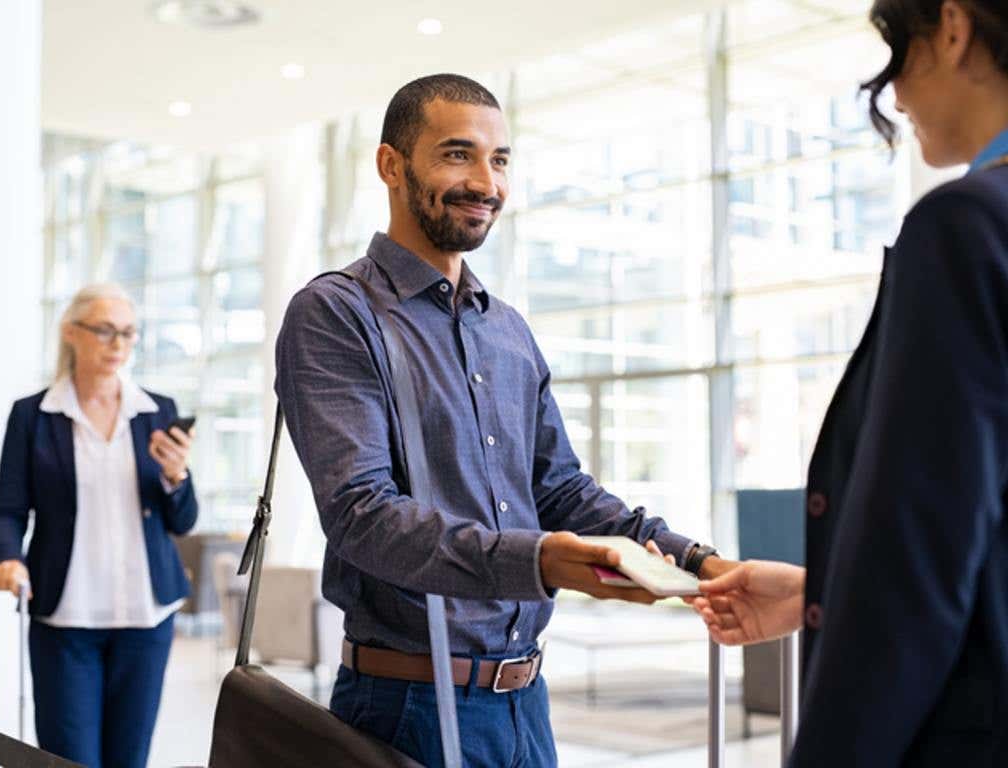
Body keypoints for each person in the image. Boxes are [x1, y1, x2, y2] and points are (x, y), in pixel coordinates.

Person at [275, 73, 735, 767]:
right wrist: (540, 561)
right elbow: (362, 516)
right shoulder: (338, 314)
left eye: (500, 160)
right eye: (457, 155)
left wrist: (700, 561)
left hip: (525, 701)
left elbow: (561, 491)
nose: (485, 182)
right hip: (407, 709)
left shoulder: (508, 330)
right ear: (390, 166)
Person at [690, 2, 1008, 765]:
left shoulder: (967, 228)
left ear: (954, 28)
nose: (895, 95)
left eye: (899, 51)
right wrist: (818, 591)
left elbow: (919, 555)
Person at [0, 283, 199, 768]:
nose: (117, 345)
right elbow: (8, 509)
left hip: (145, 621)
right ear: (71, 332)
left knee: (130, 759)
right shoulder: (34, 415)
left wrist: (176, 476)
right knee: (68, 759)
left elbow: (183, 521)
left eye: (128, 333)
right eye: (105, 331)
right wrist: (9, 559)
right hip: (66, 619)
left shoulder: (156, 412)